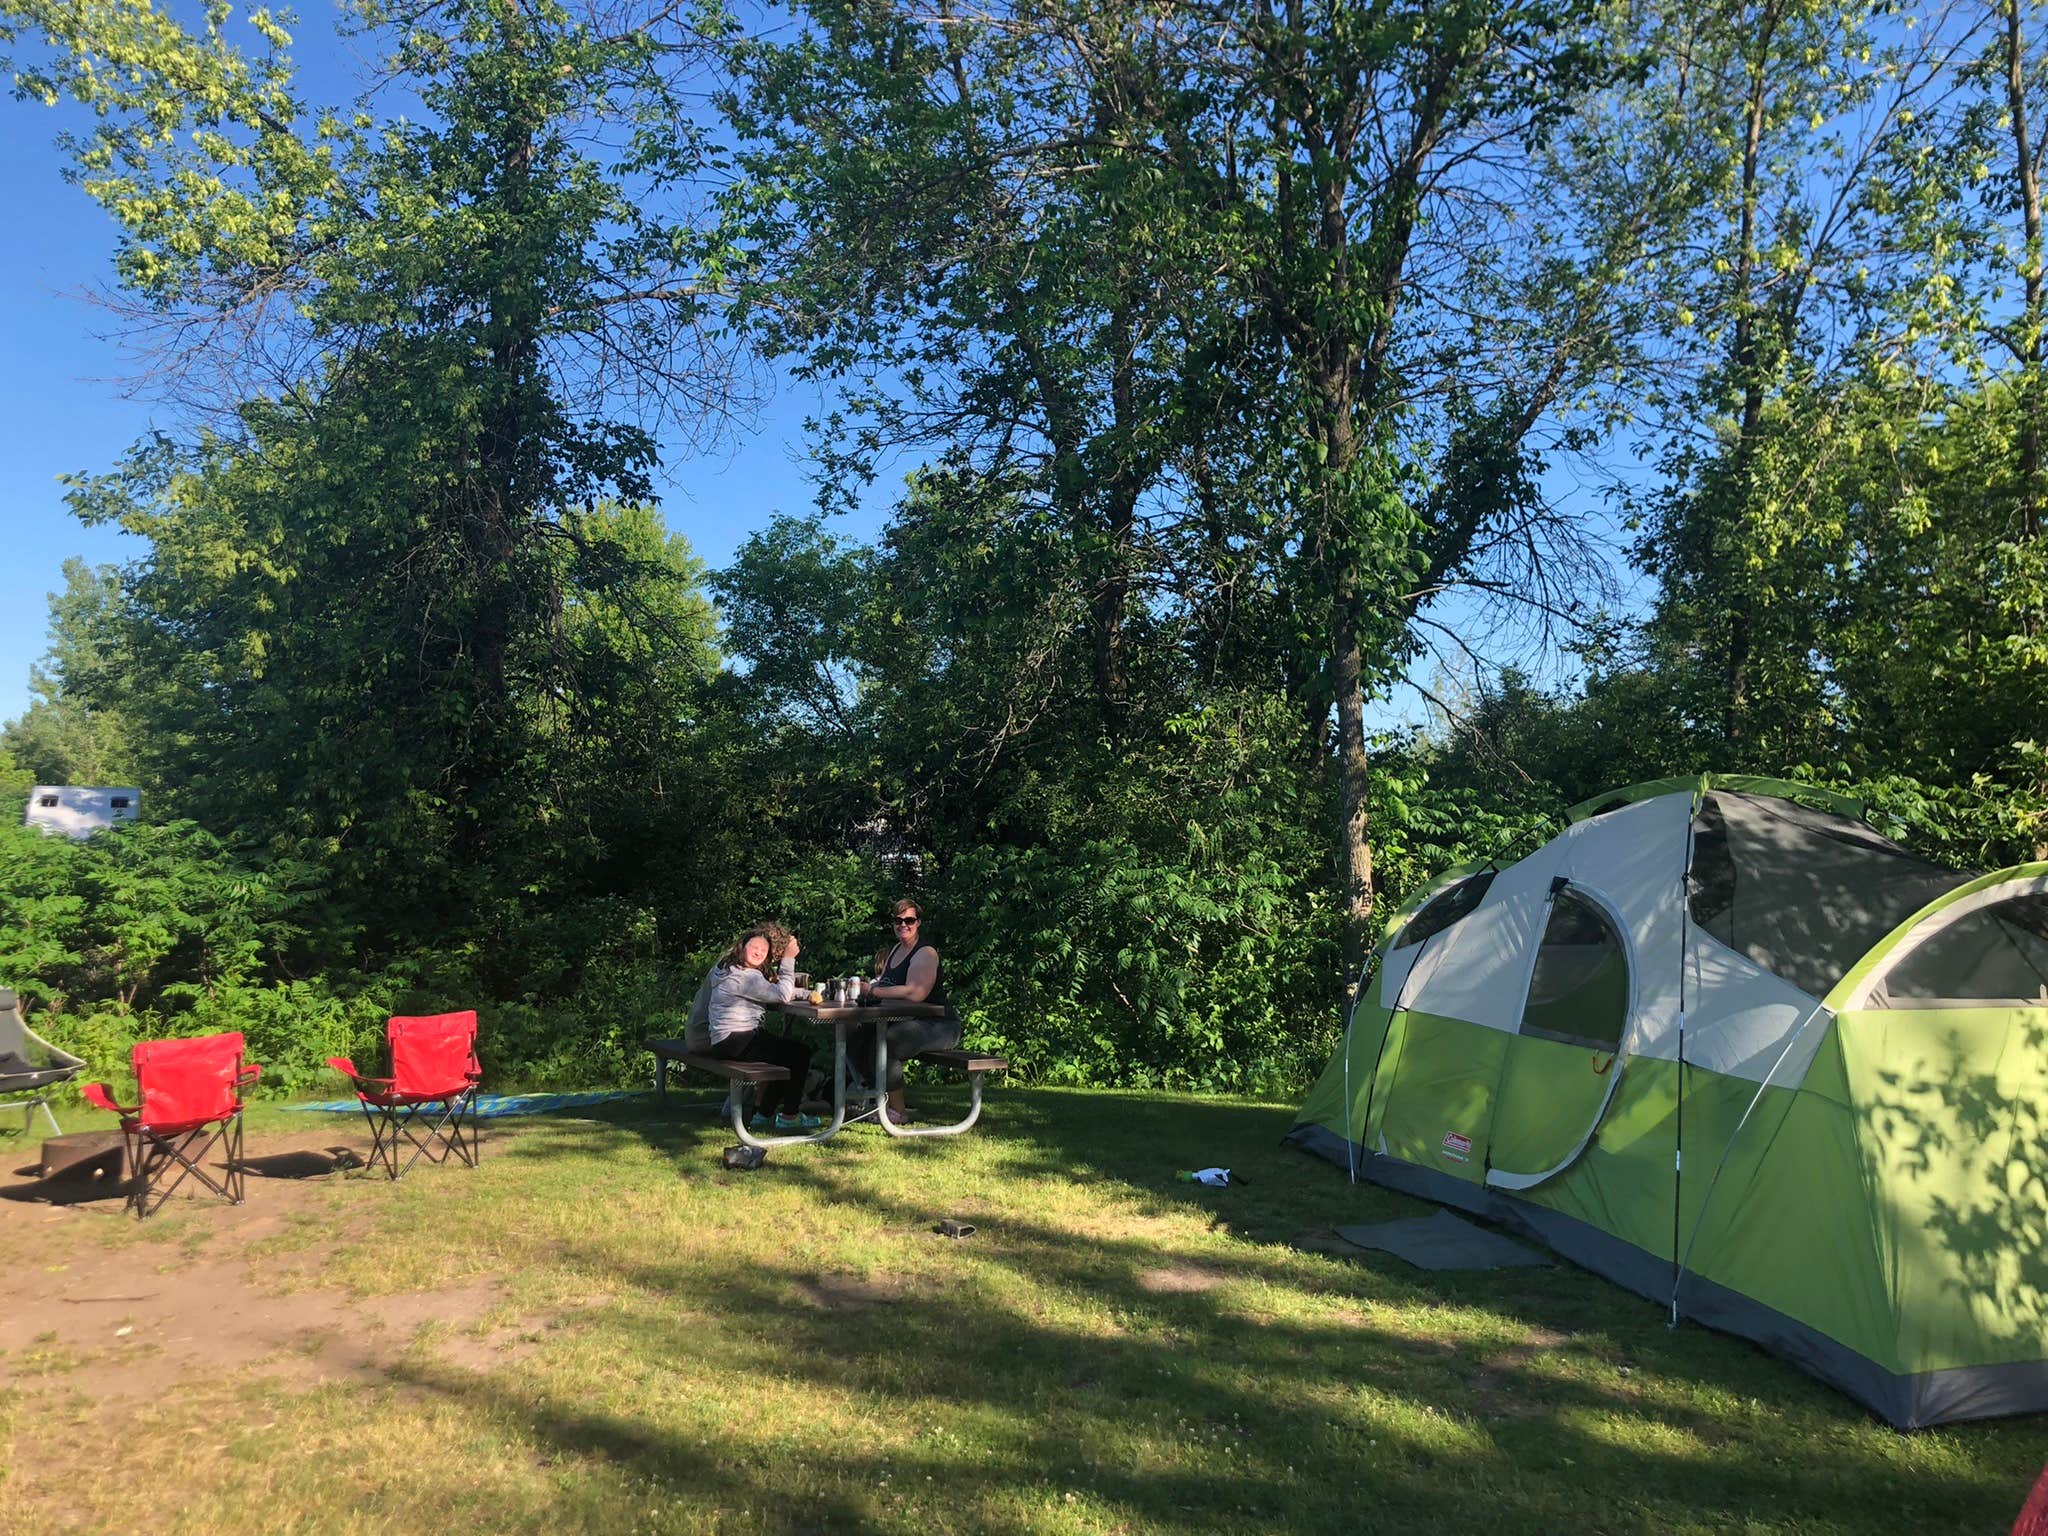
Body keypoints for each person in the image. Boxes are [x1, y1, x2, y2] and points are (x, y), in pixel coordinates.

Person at [699, 925, 822, 1132]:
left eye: (763, 951)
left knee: (785, 1055)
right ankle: (789, 1117)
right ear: (743, 947)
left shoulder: (727, 968)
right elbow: (781, 995)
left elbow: (772, 992)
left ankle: (764, 1115)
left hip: (724, 1040)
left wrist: (802, 994)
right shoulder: (747, 977)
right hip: (738, 1040)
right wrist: (789, 959)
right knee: (800, 1054)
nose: (758, 952)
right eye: (754, 947)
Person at [850, 899, 963, 1122]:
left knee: (890, 1040)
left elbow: (916, 993)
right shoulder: (896, 949)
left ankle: (898, 1111)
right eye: (898, 920)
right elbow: (885, 985)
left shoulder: (925, 953)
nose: (903, 925)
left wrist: (874, 991)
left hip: (939, 1026)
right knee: (855, 1033)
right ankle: (873, 1098)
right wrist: (867, 990)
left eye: (909, 920)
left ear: (918, 922)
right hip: (908, 1020)